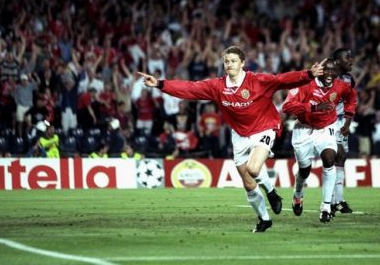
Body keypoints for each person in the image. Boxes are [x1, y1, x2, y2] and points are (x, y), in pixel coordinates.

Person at [138, 45, 324, 232]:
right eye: (226, 61)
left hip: (264, 128)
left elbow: (283, 79)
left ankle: (271, 192)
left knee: (253, 168)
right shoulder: (217, 86)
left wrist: (308, 74)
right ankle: (264, 219)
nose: (229, 64)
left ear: (243, 63)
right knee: (248, 184)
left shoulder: (258, 80)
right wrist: (161, 84)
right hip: (240, 135)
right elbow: (190, 88)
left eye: (233, 61)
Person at [282, 59, 357, 222]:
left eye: (333, 70)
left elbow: (351, 98)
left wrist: (348, 120)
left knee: (330, 159)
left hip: (326, 128)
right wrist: (313, 107)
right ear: (320, 71)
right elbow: (286, 107)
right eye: (326, 70)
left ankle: (326, 206)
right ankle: (298, 194)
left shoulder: (341, 86)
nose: (330, 74)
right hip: (304, 129)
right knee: (304, 170)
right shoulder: (305, 85)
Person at [331, 48, 357, 215]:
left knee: (341, 158)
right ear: (337, 61)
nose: (351, 60)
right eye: (347, 57)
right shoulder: (327, 76)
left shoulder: (349, 79)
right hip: (327, 121)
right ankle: (332, 201)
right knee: (336, 155)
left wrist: (348, 123)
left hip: (342, 122)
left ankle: (337, 200)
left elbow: (351, 102)